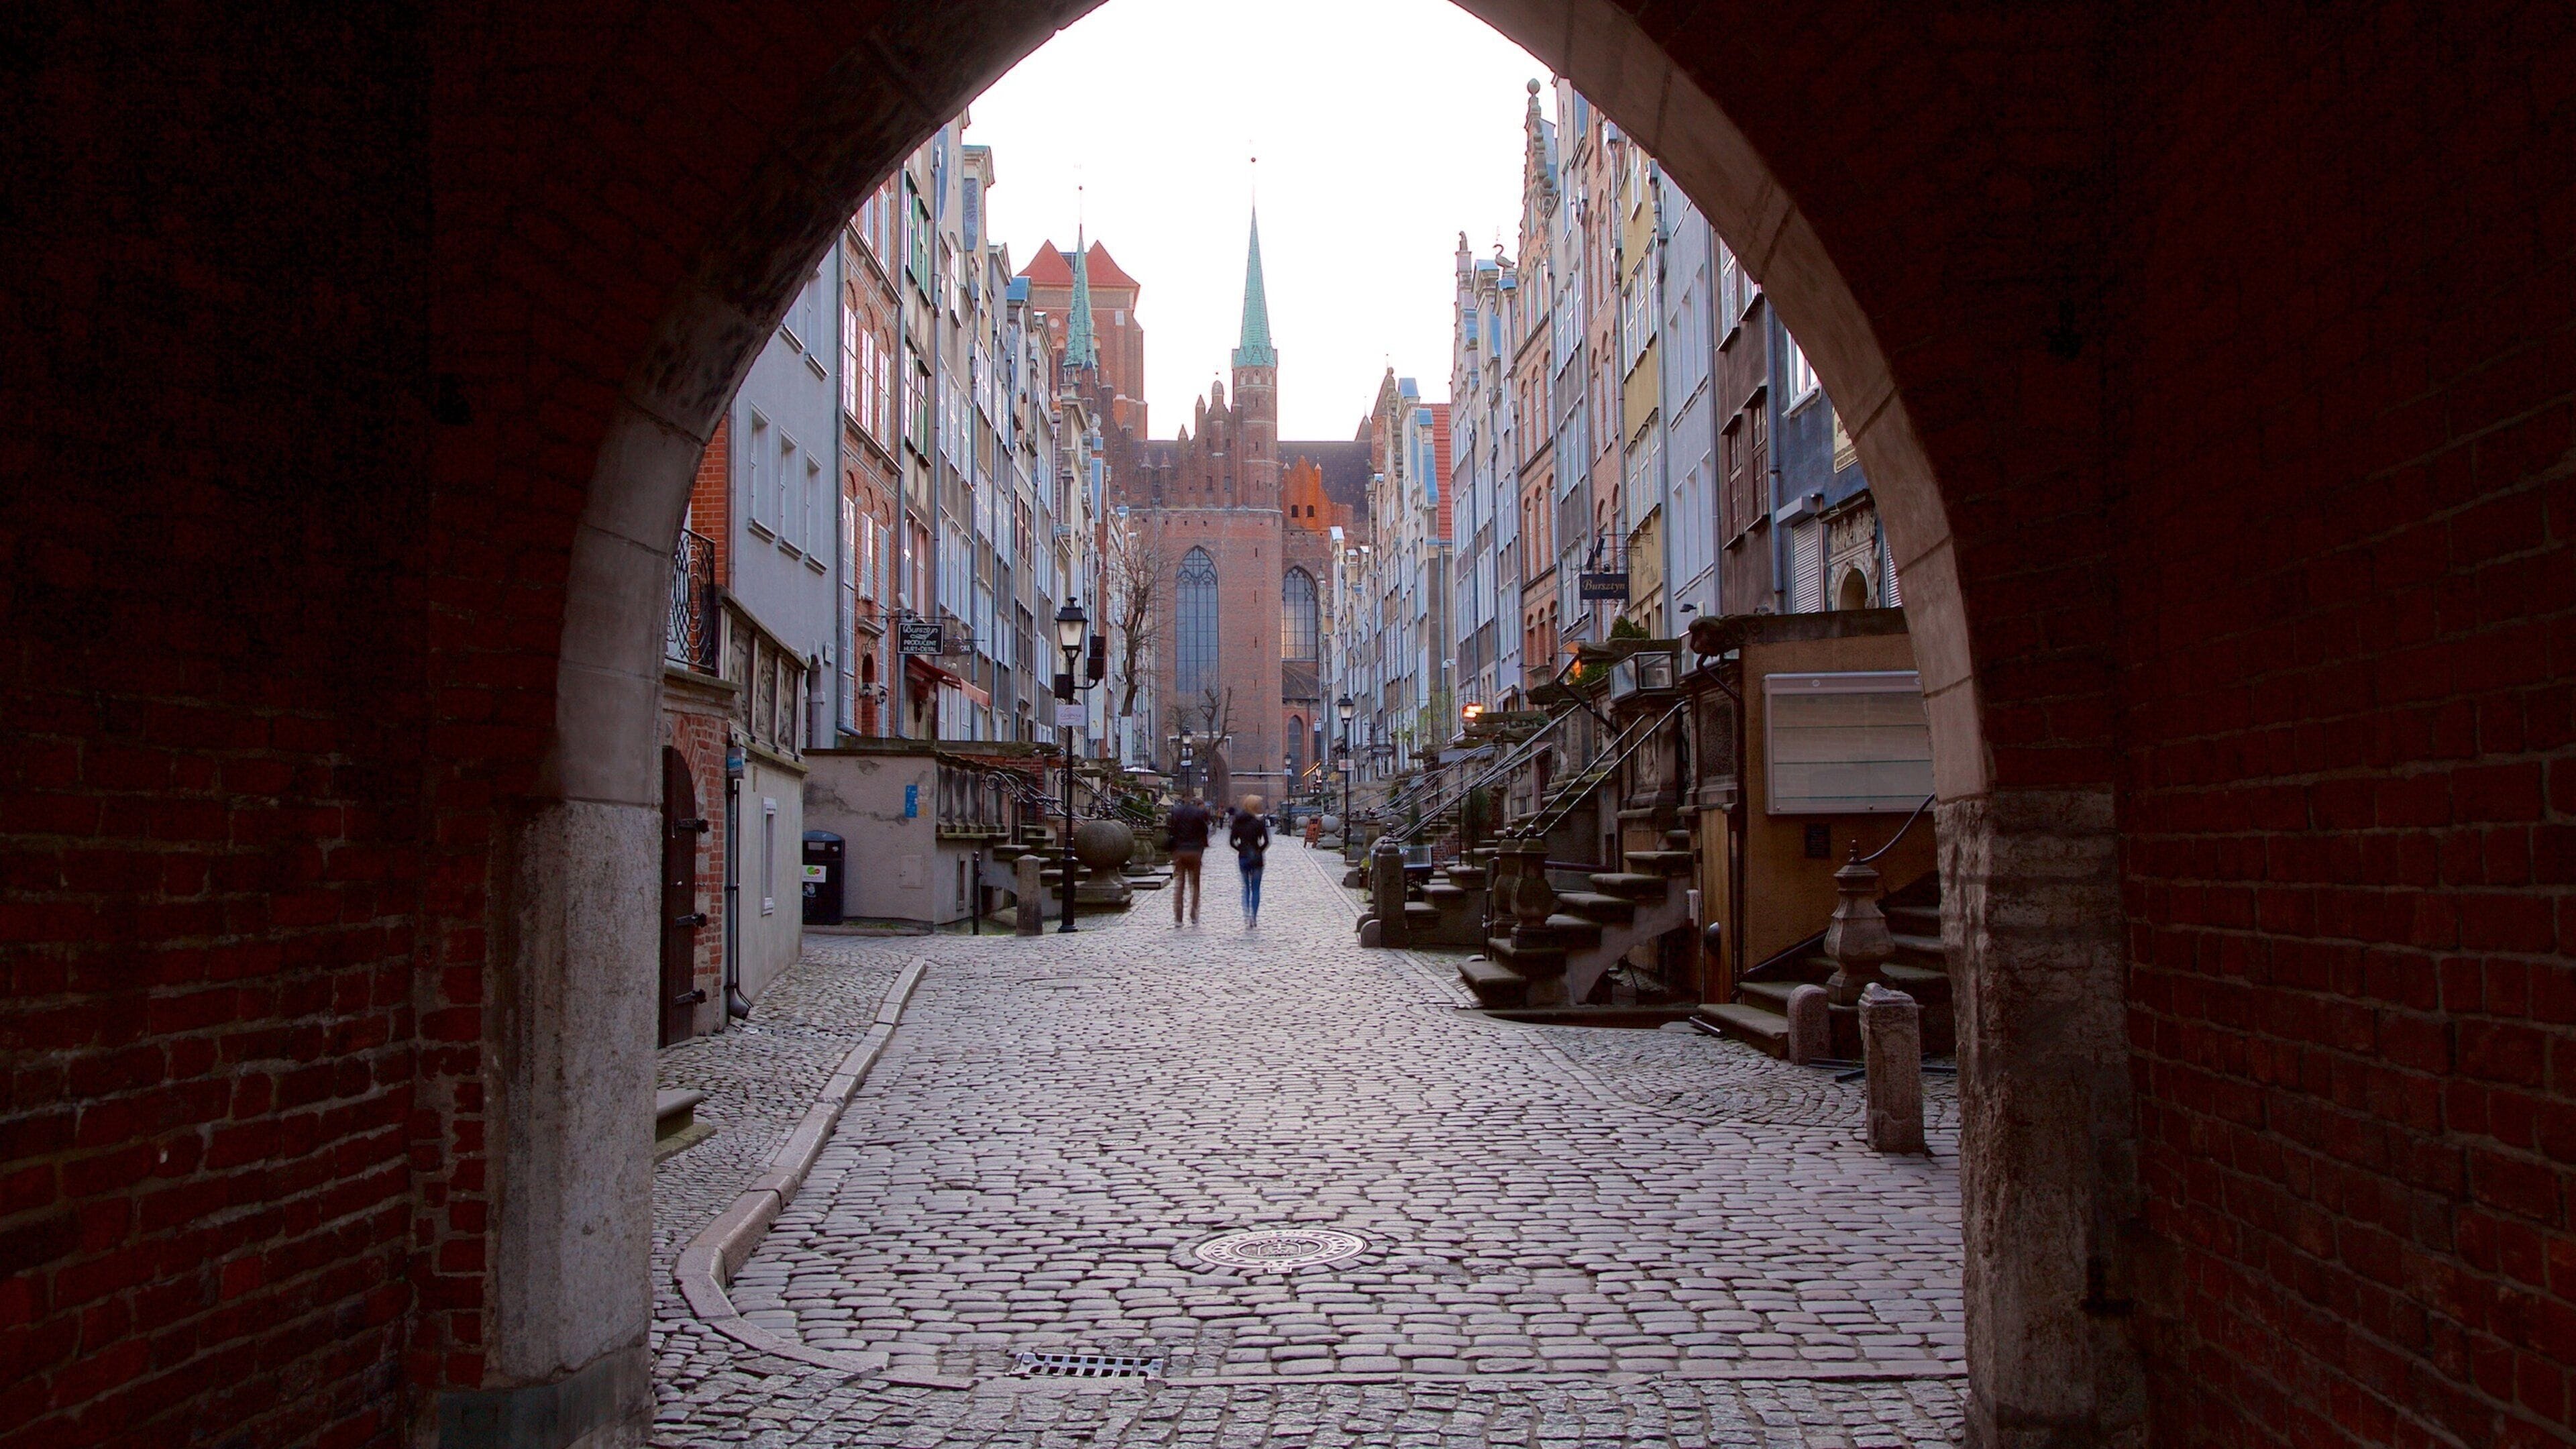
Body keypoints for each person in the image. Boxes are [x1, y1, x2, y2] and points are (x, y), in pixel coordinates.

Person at [1165, 793, 1212, 927]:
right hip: (1194, 851)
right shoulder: (1198, 813)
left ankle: (1178, 917)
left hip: (1180, 851)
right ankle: (1194, 913)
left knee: (1180, 884)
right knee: (1195, 884)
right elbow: (1204, 831)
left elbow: (1172, 831)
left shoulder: (1176, 812)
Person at [1230, 794, 1271, 928]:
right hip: (1257, 857)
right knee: (1256, 889)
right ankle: (1254, 917)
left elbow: (1232, 842)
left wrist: (1240, 849)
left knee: (1246, 888)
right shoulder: (1259, 823)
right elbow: (1267, 841)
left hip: (1243, 857)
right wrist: (1260, 850)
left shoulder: (1238, 822)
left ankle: (1247, 915)